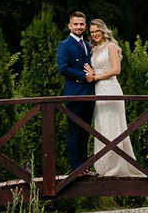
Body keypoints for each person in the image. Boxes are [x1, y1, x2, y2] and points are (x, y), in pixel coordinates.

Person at [89, 20, 139, 177]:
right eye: (92, 32)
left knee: (114, 128)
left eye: (97, 31)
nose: (95, 34)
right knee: (102, 128)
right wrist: (91, 72)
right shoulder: (94, 50)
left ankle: (118, 167)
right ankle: (104, 167)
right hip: (98, 91)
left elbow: (116, 69)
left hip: (110, 88)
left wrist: (96, 77)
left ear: (103, 31)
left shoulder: (111, 46)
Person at [56, 12, 94, 173]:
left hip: (90, 93)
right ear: (70, 26)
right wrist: (84, 77)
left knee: (85, 131)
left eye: (81, 24)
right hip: (74, 93)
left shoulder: (88, 44)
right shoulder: (64, 45)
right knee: (74, 132)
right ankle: (75, 167)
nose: (79, 27)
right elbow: (63, 69)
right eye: (76, 24)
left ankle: (84, 166)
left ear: (85, 25)